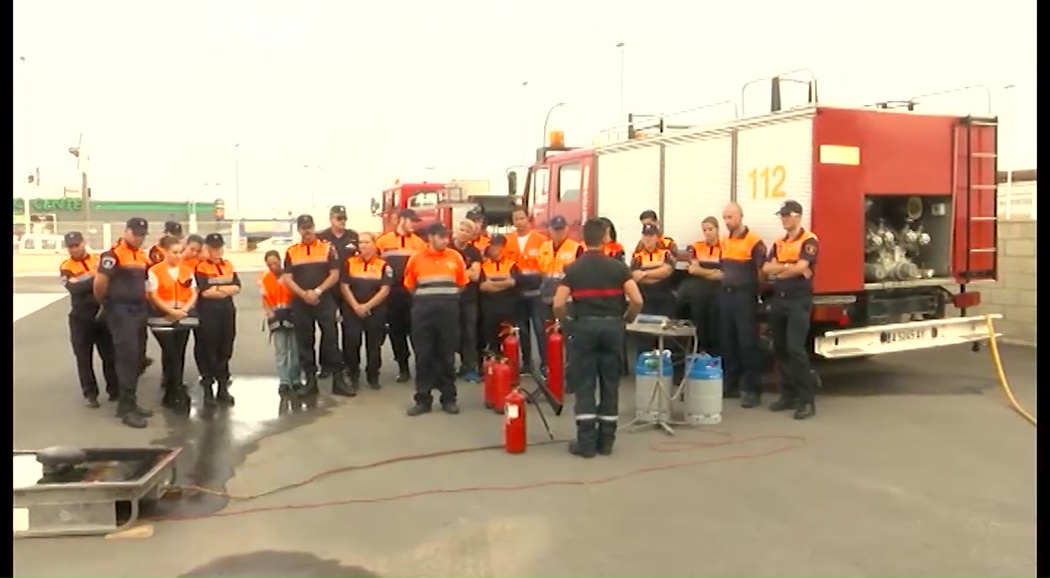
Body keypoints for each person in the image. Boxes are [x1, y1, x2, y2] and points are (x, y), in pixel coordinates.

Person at [553, 218, 644, 458]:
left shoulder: (573, 269)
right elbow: (637, 299)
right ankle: (606, 443)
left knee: (584, 385)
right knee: (609, 385)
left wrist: (567, 323)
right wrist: (626, 320)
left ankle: (586, 444)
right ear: (605, 238)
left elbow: (558, 303)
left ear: (584, 239)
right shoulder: (618, 268)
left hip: (583, 329)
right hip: (612, 329)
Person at [282, 214, 352, 398]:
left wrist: (317, 291)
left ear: (314, 227)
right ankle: (310, 383)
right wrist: (303, 294)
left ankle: (338, 381)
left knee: (331, 340)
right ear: (298, 229)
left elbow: (335, 274)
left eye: (309, 226)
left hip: (324, 299)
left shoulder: (327, 248)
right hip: (300, 302)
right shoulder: (291, 251)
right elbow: (287, 278)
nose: (307, 230)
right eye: (303, 227)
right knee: (305, 342)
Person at [93, 218, 154, 429]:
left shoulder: (140, 255)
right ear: (126, 231)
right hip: (121, 311)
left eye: (142, 234)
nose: (139, 237)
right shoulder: (112, 255)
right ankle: (126, 408)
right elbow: (100, 283)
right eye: (135, 233)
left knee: (138, 358)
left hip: (138, 311)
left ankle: (130, 402)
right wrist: (106, 303)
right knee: (127, 359)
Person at [403, 223, 469, 416]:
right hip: (423, 311)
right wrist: (427, 298)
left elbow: (462, 283)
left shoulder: (455, 257)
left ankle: (449, 398)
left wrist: (446, 297)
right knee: (424, 356)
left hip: (448, 311)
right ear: (430, 237)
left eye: (446, 237)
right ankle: (423, 399)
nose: (445, 241)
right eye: (441, 237)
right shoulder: (416, 258)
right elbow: (409, 285)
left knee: (447, 355)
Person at [762, 200, 819, 420]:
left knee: (796, 349)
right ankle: (788, 394)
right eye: (782, 216)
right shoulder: (778, 243)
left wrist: (783, 269)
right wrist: (787, 268)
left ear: (798, 216)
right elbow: (767, 269)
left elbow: (803, 267)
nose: (784, 219)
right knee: (780, 348)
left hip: (798, 300)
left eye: (787, 215)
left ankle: (807, 400)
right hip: (779, 299)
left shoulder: (809, 241)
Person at [59, 231, 118, 408]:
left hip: (101, 315)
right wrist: (96, 279)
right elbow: (74, 289)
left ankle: (115, 390)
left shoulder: (98, 259)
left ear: (84, 243)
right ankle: (90, 394)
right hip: (80, 318)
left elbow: (110, 279)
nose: (74, 249)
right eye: (70, 246)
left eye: (77, 245)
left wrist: (86, 282)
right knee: (84, 359)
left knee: (109, 356)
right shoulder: (66, 266)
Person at [719, 202, 767, 407]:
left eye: (730, 217)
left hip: (744, 297)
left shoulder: (754, 241)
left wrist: (757, 294)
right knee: (728, 342)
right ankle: (731, 385)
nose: (727, 222)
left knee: (747, 343)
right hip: (727, 296)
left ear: (740, 216)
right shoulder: (725, 240)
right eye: (725, 218)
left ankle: (753, 390)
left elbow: (762, 271)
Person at [146, 236, 198, 411]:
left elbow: (193, 293)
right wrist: (171, 312)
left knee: (179, 352)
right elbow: (154, 295)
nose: (178, 256)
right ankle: (173, 390)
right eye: (174, 252)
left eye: (180, 252)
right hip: (162, 317)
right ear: (166, 252)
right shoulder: (155, 271)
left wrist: (183, 311)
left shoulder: (187, 270)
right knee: (171, 352)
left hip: (182, 317)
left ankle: (174, 388)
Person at [375, 208, 427, 383]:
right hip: (392, 293)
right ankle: (403, 368)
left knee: (417, 331)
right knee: (396, 332)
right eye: (412, 221)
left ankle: (421, 367)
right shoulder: (383, 242)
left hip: (413, 293)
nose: (414, 225)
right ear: (402, 220)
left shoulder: (420, 243)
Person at [340, 232, 393, 392]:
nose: (362, 245)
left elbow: (385, 290)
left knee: (374, 345)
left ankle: (373, 376)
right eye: (360, 242)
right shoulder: (349, 263)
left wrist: (367, 306)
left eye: (366, 242)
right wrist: (356, 306)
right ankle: (353, 375)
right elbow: (344, 286)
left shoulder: (383, 265)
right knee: (352, 343)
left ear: (374, 244)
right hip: (352, 310)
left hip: (375, 311)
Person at [193, 233, 241, 407]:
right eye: (213, 248)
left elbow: (237, 287)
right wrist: (225, 289)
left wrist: (218, 289)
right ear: (207, 249)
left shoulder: (228, 265)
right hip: (208, 313)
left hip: (226, 311)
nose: (216, 251)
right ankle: (207, 390)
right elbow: (205, 292)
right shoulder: (201, 267)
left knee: (225, 348)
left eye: (219, 247)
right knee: (208, 350)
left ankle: (222, 388)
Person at [503, 206, 549, 375]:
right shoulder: (508, 241)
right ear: (512, 221)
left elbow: (545, 264)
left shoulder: (541, 240)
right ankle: (527, 363)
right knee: (522, 329)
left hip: (536, 291)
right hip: (517, 291)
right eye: (516, 219)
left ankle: (545, 363)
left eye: (522, 218)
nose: (519, 222)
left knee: (540, 328)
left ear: (528, 219)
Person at [317, 205, 360, 379]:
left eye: (344, 218)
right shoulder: (322, 237)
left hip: (349, 287)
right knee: (328, 328)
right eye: (339, 218)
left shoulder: (353, 237)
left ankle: (350, 365)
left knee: (350, 329)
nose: (342, 222)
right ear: (331, 219)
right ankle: (326, 365)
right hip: (329, 287)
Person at [259, 249, 301, 397]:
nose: (273, 267)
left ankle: (295, 380)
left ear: (280, 261)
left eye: (275, 263)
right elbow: (264, 298)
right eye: (270, 264)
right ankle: (283, 381)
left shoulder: (290, 275)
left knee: (295, 350)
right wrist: (270, 313)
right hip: (276, 317)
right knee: (281, 351)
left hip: (292, 315)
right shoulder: (264, 278)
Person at [682, 216, 723, 355]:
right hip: (699, 294)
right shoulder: (697, 246)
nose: (707, 233)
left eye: (710, 229)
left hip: (718, 294)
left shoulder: (725, 247)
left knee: (715, 329)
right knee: (700, 329)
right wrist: (713, 272)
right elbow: (692, 270)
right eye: (704, 230)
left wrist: (702, 271)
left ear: (717, 229)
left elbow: (724, 274)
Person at [451, 220, 483, 382]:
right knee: (452, 334)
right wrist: (466, 272)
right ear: (456, 230)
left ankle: (469, 368)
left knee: (470, 334)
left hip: (469, 299)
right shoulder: (448, 249)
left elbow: (476, 275)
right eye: (461, 229)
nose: (463, 233)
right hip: (450, 299)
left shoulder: (474, 252)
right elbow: (445, 271)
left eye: (467, 231)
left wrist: (457, 271)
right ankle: (449, 368)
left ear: (471, 235)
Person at [478, 234, 520, 353]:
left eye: (498, 246)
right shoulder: (484, 266)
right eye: (493, 246)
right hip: (489, 310)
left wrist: (492, 285)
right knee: (492, 344)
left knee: (509, 342)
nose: (495, 249)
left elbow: (513, 282)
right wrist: (503, 284)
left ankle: (511, 368)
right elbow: (482, 286)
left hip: (508, 309)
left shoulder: (512, 265)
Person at [538, 215, 583, 305]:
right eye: (556, 229)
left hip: (567, 299)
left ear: (567, 229)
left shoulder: (576, 248)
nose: (559, 232)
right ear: (550, 230)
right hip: (546, 297)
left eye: (561, 229)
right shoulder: (544, 247)